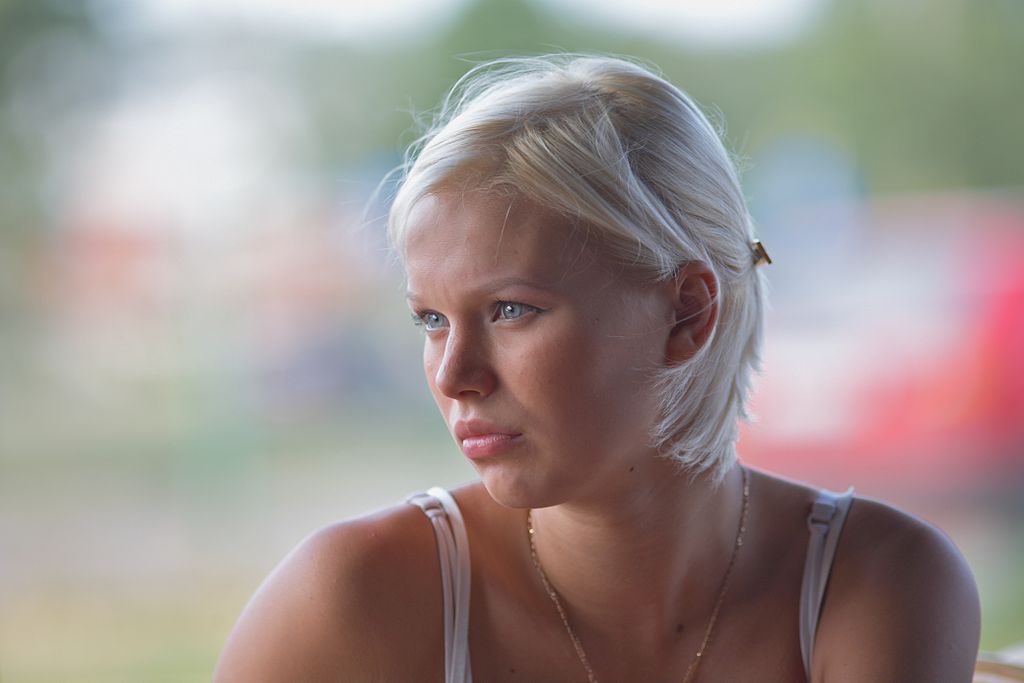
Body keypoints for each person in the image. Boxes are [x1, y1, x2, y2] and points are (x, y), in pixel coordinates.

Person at [214, 54, 981, 682]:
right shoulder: (357, 597)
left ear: (687, 313)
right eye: (431, 319)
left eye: (511, 309)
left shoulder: (878, 583)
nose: (454, 376)